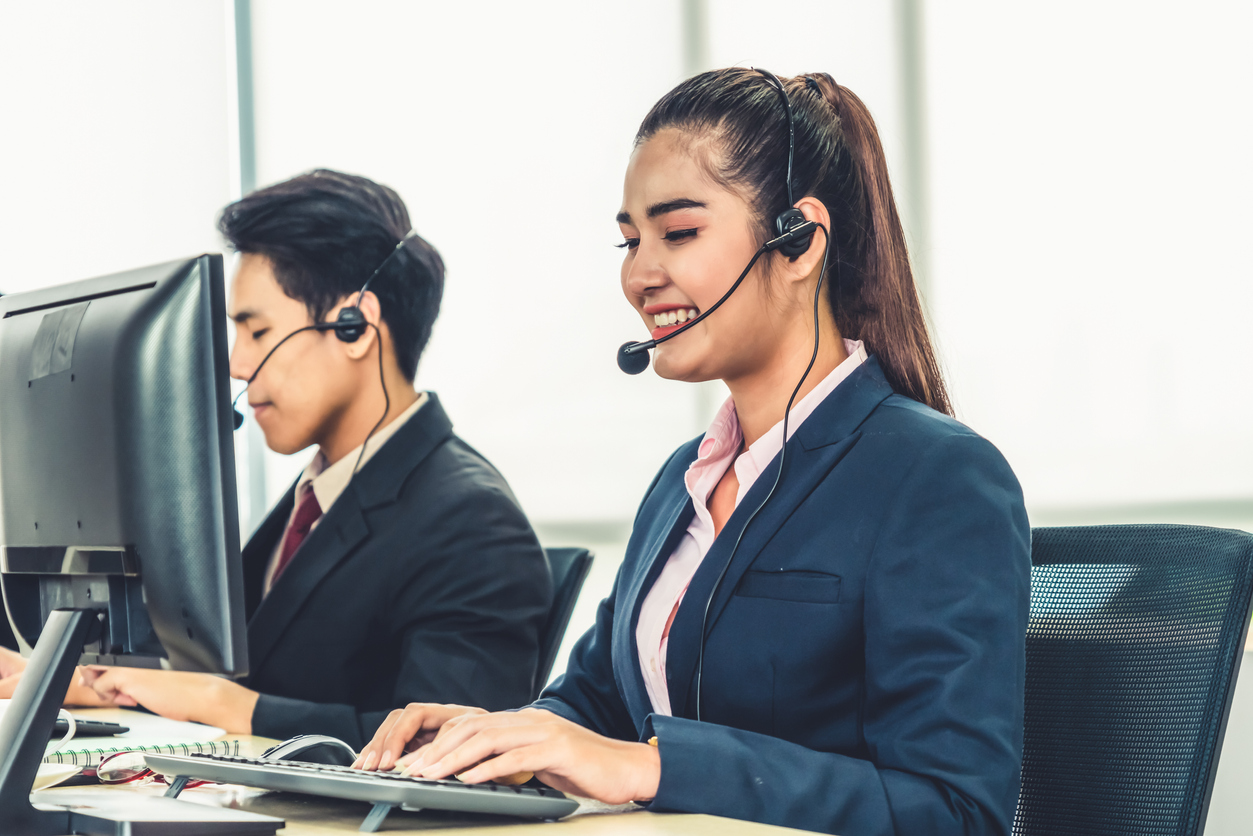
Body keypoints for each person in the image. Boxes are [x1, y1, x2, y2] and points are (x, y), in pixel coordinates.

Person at [355, 69, 1031, 835]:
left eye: (677, 233)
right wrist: (495, 737)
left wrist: (649, 766)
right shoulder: (681, 481)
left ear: (799, 241)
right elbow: (596, 703)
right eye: (629, 239)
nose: (639, 274)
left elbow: (954, 810)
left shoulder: (935, 477)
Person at [0, 170, 553, 749]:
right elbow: (263, 669)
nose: (237, 365)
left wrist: (229, 705)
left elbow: (455, 749)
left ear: (355, 326)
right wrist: (88, 682)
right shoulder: (317, 499)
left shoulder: (470, 522)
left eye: (257, 332)